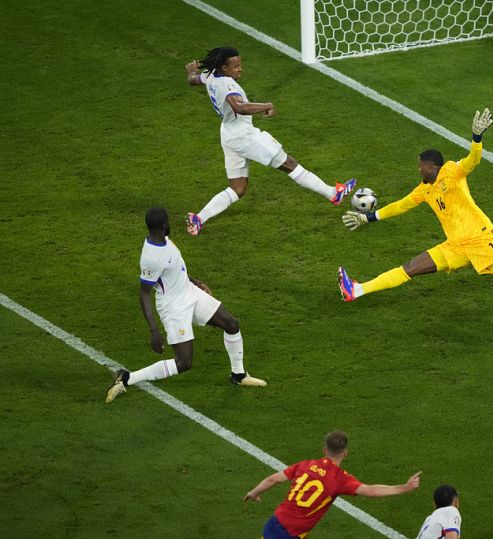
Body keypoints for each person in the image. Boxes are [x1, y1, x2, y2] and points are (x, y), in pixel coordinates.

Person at [337, 108, 493, 318]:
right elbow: (401, 205)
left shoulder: (451, 171)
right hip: (454, 246)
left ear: (429, 166)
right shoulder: (424, 190)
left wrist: (476, 138)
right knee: (410, 268)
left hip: (479, 239)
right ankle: (356, 290)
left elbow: (473, 161)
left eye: (420, 166)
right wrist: (368, 217)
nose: (418, 170)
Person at [183, 46, 356, 235]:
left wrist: (192, 71)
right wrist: (266, 105)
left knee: (237, 188)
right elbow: (239, 107)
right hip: (245, 135)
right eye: (236, 66)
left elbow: (193, 80)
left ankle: (198, 218)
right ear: (224, 67)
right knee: (289, 163)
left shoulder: (209, 75)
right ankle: (333, 193)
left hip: (228, 134)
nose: (240, 69)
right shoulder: (227, 84)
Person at [105, 207, 265, 403]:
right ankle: (127, 378)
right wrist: (154, 330)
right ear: (163, 226)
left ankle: (238, 375)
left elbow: (173, 266)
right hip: (174, 307)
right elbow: (144, 293)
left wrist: (195, 281)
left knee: (231, 324)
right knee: (184, 363)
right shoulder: (151, 257)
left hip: (190, 293)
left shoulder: (162, 240)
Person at [243, 430, 421, 539]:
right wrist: (403, 488)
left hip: (276, 521)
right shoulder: (340, 479)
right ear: (345, 453)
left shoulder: (305, 464)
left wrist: (254, 492)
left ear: (324, 450)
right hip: (291, 533)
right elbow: (370, 491)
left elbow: (273, 479)